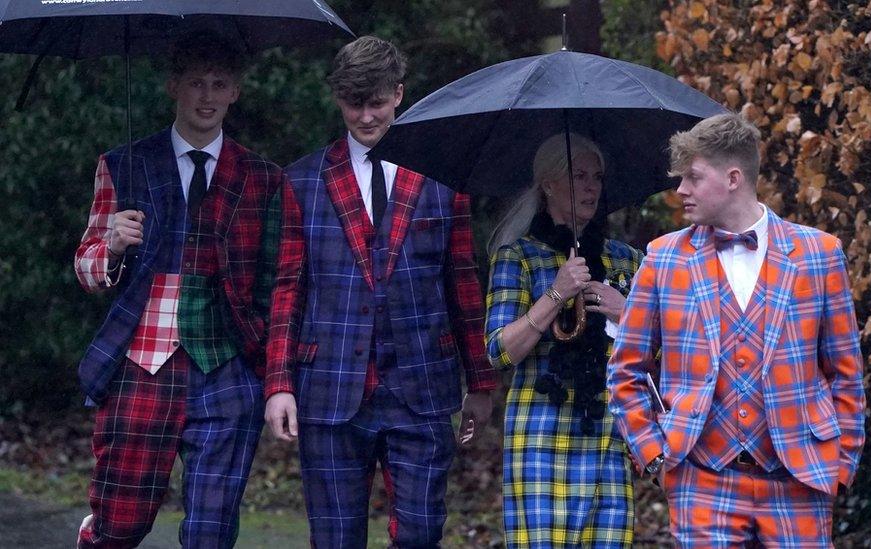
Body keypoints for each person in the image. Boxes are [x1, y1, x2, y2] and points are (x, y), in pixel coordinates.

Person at [265, 36, 498, 548]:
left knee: (420, 536)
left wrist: (479, 381)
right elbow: (288, 288)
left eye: (376, 103)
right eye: (354, 104)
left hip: (422, 388)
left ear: (398, 94)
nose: (366, 117)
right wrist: (278, 383)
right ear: (337, 99)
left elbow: (462, 280)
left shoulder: (441, 176)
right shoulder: (301, 180)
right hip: (329, 388)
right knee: (334, 539)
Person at [73, 33, 304, 548]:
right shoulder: (123, 164)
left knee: (211, 533)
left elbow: (281, 284)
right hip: (141, 365)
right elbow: (87, 270)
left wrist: (274, 377)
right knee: (119, 524)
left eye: (219, 85)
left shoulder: (264, 179)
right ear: (173, 86)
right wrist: (111, 244)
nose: (206, 96)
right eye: (196, 83)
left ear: (235, 93)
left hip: (226, 367)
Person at [607, 113, 866, 547]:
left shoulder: (819, 255)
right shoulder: (664, 258)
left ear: (733, 178)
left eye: (692, 177)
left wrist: (841, 465)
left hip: (798, 477)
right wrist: (653, 453)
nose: (681, 190)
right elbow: (625, 370)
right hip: (701, 478)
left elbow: (846, 372)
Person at [484, 133, 643, 547]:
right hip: (541, 438)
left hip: (608, 434)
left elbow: (664, 349)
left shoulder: (627, 260)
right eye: (578, 176)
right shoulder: (518, 256)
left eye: (597, 177)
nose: (591, 186)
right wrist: (555, 294)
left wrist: (624, 312)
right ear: (548, 184)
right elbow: (500, 351)